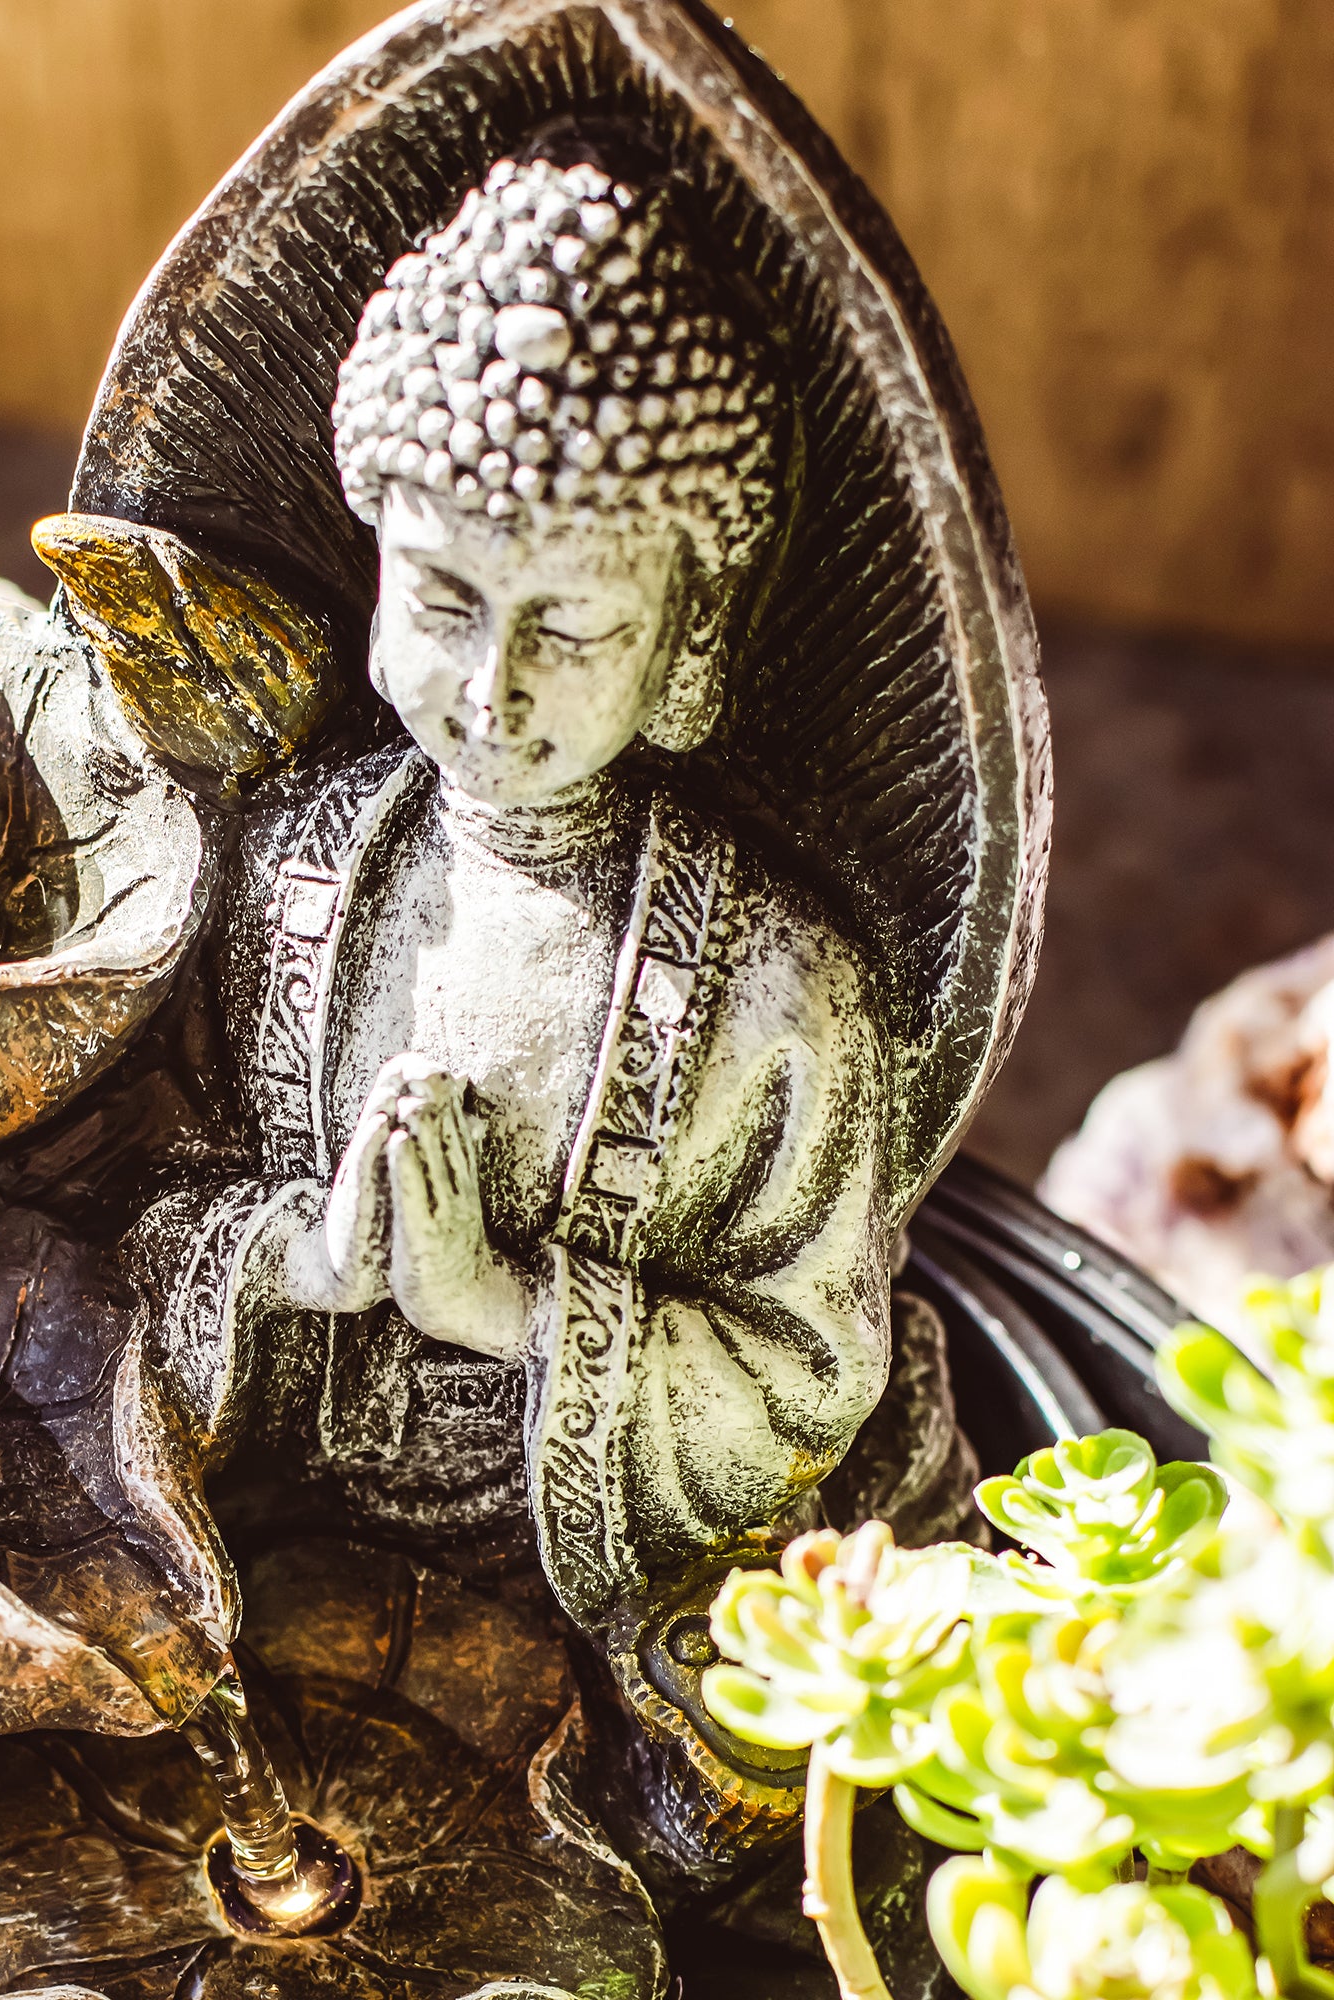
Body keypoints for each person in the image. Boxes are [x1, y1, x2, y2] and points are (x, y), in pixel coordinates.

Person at [128, 155, 896, 1645]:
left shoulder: (782, 994)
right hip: (262, 1557)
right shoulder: (278, 877)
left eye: (574, 626)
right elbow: (111, 1212)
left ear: (685, 639)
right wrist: (303, 1259)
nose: (494, 691)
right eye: (444, 602)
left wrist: (511, 1309)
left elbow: (812, 1382)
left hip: (582, 1611)